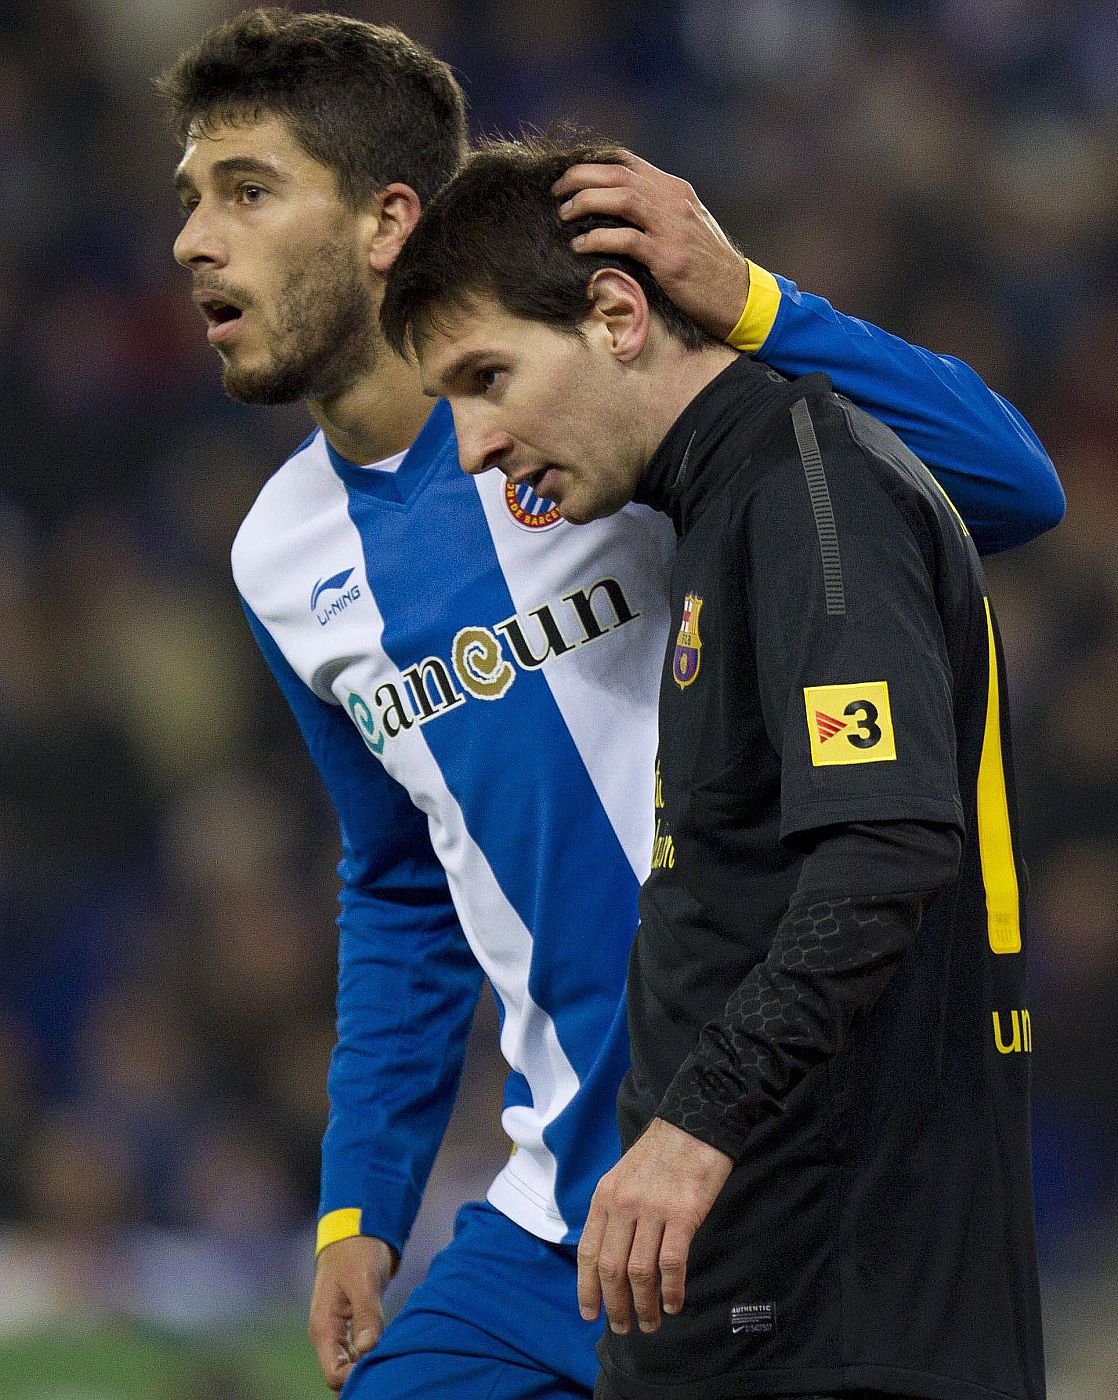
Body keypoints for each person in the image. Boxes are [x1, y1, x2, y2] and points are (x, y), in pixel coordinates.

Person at [160, 12, 1059, 1400]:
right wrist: (362, 1203)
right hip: (550, 1213)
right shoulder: (278, 557)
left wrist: (751, 297)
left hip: (763, 1177)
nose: (193, 241)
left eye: (248, 190)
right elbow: (401, 883)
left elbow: (997, 492)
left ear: (389, 219)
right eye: (188, 198)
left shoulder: (616, 413)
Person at [381, 133, 1047, 1400]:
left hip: (838, 1297)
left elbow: (881, 844)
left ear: (618, 314)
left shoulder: (814, 494)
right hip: (759, 1288)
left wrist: (694, 1127)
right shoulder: (721, 505)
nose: (472, 444)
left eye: (487, 377)